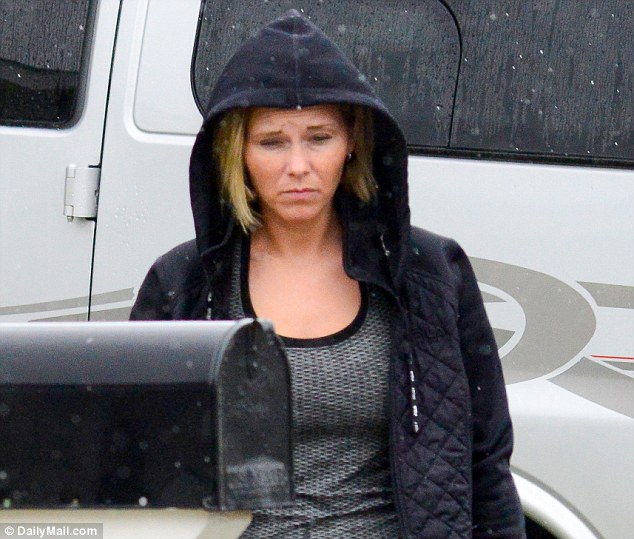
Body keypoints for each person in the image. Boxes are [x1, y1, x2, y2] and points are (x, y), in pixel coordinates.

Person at [131, 9, 526, 538]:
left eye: (319, 138)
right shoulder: (184, 283)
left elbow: (486, 462)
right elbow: (138, 462)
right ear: (236, 152)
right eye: (272, 142)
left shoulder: (428, 273)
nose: (298, 166)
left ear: (352, 143)